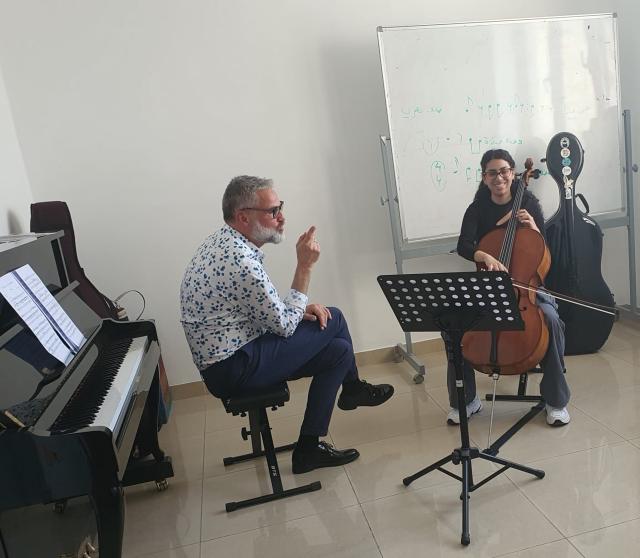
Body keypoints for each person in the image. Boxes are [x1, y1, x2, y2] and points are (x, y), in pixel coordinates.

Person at [180, 175, 394, 474]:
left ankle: (308, 449)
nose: (281, 218)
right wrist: (304, 265)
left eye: (280, 207)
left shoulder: (221, 242)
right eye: (272, 211)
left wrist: (297, 309)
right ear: (243, 216)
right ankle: (354, 388)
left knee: (339, 351)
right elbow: (284, 327)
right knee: (335, 318)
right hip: (233, 367)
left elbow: (257, 311)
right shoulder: (241, 261)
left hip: (231, 357)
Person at [446, 149, 571, 427]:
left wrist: (534, 228)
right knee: (453, 324)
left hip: (527, 288)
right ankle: (465, 401)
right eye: (492, 173)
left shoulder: (527, 201)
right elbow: (465, 246)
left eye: (504, 171)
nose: (499, 177)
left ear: (514, 173)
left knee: (550, 320)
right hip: (488, 289)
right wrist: (485, 256)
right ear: (484, 177)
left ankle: (556, 401)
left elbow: (544, 248)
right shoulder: (477, 209)